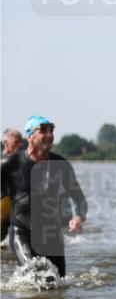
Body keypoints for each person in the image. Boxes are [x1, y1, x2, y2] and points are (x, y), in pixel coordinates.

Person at [1, 116, 87, 278]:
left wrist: (78, 218)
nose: (49, 135)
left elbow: (78, 198)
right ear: (30, 136)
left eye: (51, 130)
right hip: (22, 232)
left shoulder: (60, 164)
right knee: (35, 273)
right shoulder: (11, 164)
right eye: (43, 131)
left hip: (52, 235)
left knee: (57, 284)